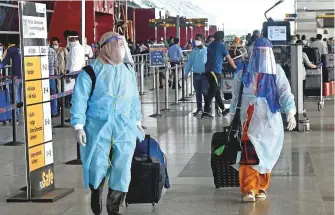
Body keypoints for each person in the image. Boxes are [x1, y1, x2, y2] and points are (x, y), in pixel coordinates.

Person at [70, 31, 144, 215]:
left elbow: (134, 97)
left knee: (122, 166)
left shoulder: (127, 70)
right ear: (105, 47)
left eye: (122, 45)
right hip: (97, 126)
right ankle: (97, 195)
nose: (120, 49)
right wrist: (78, 126)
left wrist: (137, 120)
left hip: (124, 126)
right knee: (97, 164)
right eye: (116, 45)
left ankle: (114, 207)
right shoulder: (90, 72)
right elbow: (79, 100)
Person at [229, 38, 296, 202]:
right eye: (258, 51)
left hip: (270, 120)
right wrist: (232, 117)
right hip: (248, 121)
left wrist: (291, 112)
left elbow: (285, 92)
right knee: (249, 155)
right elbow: (235, 97)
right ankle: (249, 189)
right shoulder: (243, 72)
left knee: (266, 153)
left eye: (264, 52)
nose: (261, 55)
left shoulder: (276, 71)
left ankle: (261, 186)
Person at [202, 31, 237, 119]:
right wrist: (236, 68)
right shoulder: (222, 46)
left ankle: (223, 109)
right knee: (212, 91)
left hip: (208, 70)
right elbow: (229, 59)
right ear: (222, 38)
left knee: (216, 90)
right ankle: (206, 111)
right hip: (215, 71)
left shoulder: (211, 44)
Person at [184, 34, 208, 115]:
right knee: (198, 93)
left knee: (205, 92)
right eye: (195, 40)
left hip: (205, 75)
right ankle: (199, 108)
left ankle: (207, 109)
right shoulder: (194, 51)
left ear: (203, 41)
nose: (196, 41)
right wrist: (186, 72)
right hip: (196, 74)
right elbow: (189, 62)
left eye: (198, 40)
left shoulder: (207, 50)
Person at [64, 31, 85, 122]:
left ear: (72, 38)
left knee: (75, 97)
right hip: (78, 73)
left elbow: (73, 62)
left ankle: (75, 116)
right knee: (77, 96)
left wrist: (69, 75)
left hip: (75, 74)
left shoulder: (75, 48)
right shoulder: (80, 47)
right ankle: (76, 115)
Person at [0, 39, 21, 122]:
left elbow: (4, 62)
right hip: (17, 77)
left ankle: (17, 117)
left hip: (25, 76)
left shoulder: (27, 49)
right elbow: (4, 62)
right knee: (16, 97)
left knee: (18, 97)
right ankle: (16, 117)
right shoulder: (12, 49)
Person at [51, 37, 68, 113]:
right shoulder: (50, 51)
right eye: (53, 44)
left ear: (59, 44)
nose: (54, 45)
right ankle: (57, 108)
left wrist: (66, 71)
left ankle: (62, 106)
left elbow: (67, 60)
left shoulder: (63, 50)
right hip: (53, 74)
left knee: (61, 90)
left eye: (56, 44)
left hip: (61, 74)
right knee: (55, 91)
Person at [48, 46, 59, 117]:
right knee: (53, 93)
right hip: (51, 75)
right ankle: (53, 112)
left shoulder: (36, 50)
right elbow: (56, 63)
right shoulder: (52, 51)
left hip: (40, 77)